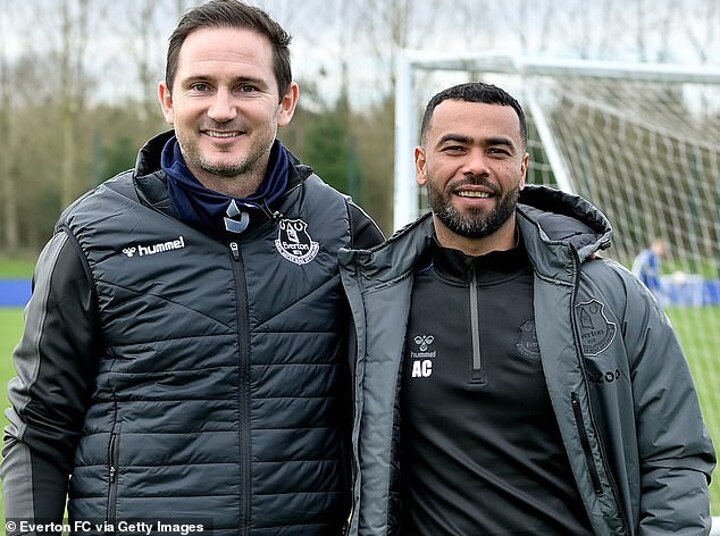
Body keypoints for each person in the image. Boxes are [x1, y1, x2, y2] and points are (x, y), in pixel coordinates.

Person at [2, 1, 383, 533]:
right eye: (200, 86)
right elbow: (39, 425)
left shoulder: (341, 230)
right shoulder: (91, 236)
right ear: (168, 100)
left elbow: (390, 412)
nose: (222, 109)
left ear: (286, 103)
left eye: (246, 87)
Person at [338, 82, 715, 535]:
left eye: (497, 151)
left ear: (522, 170)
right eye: (455, 148)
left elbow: (674, 454)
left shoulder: (609, 296)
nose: (476, 166)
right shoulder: (373, 303)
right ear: (422, 164)